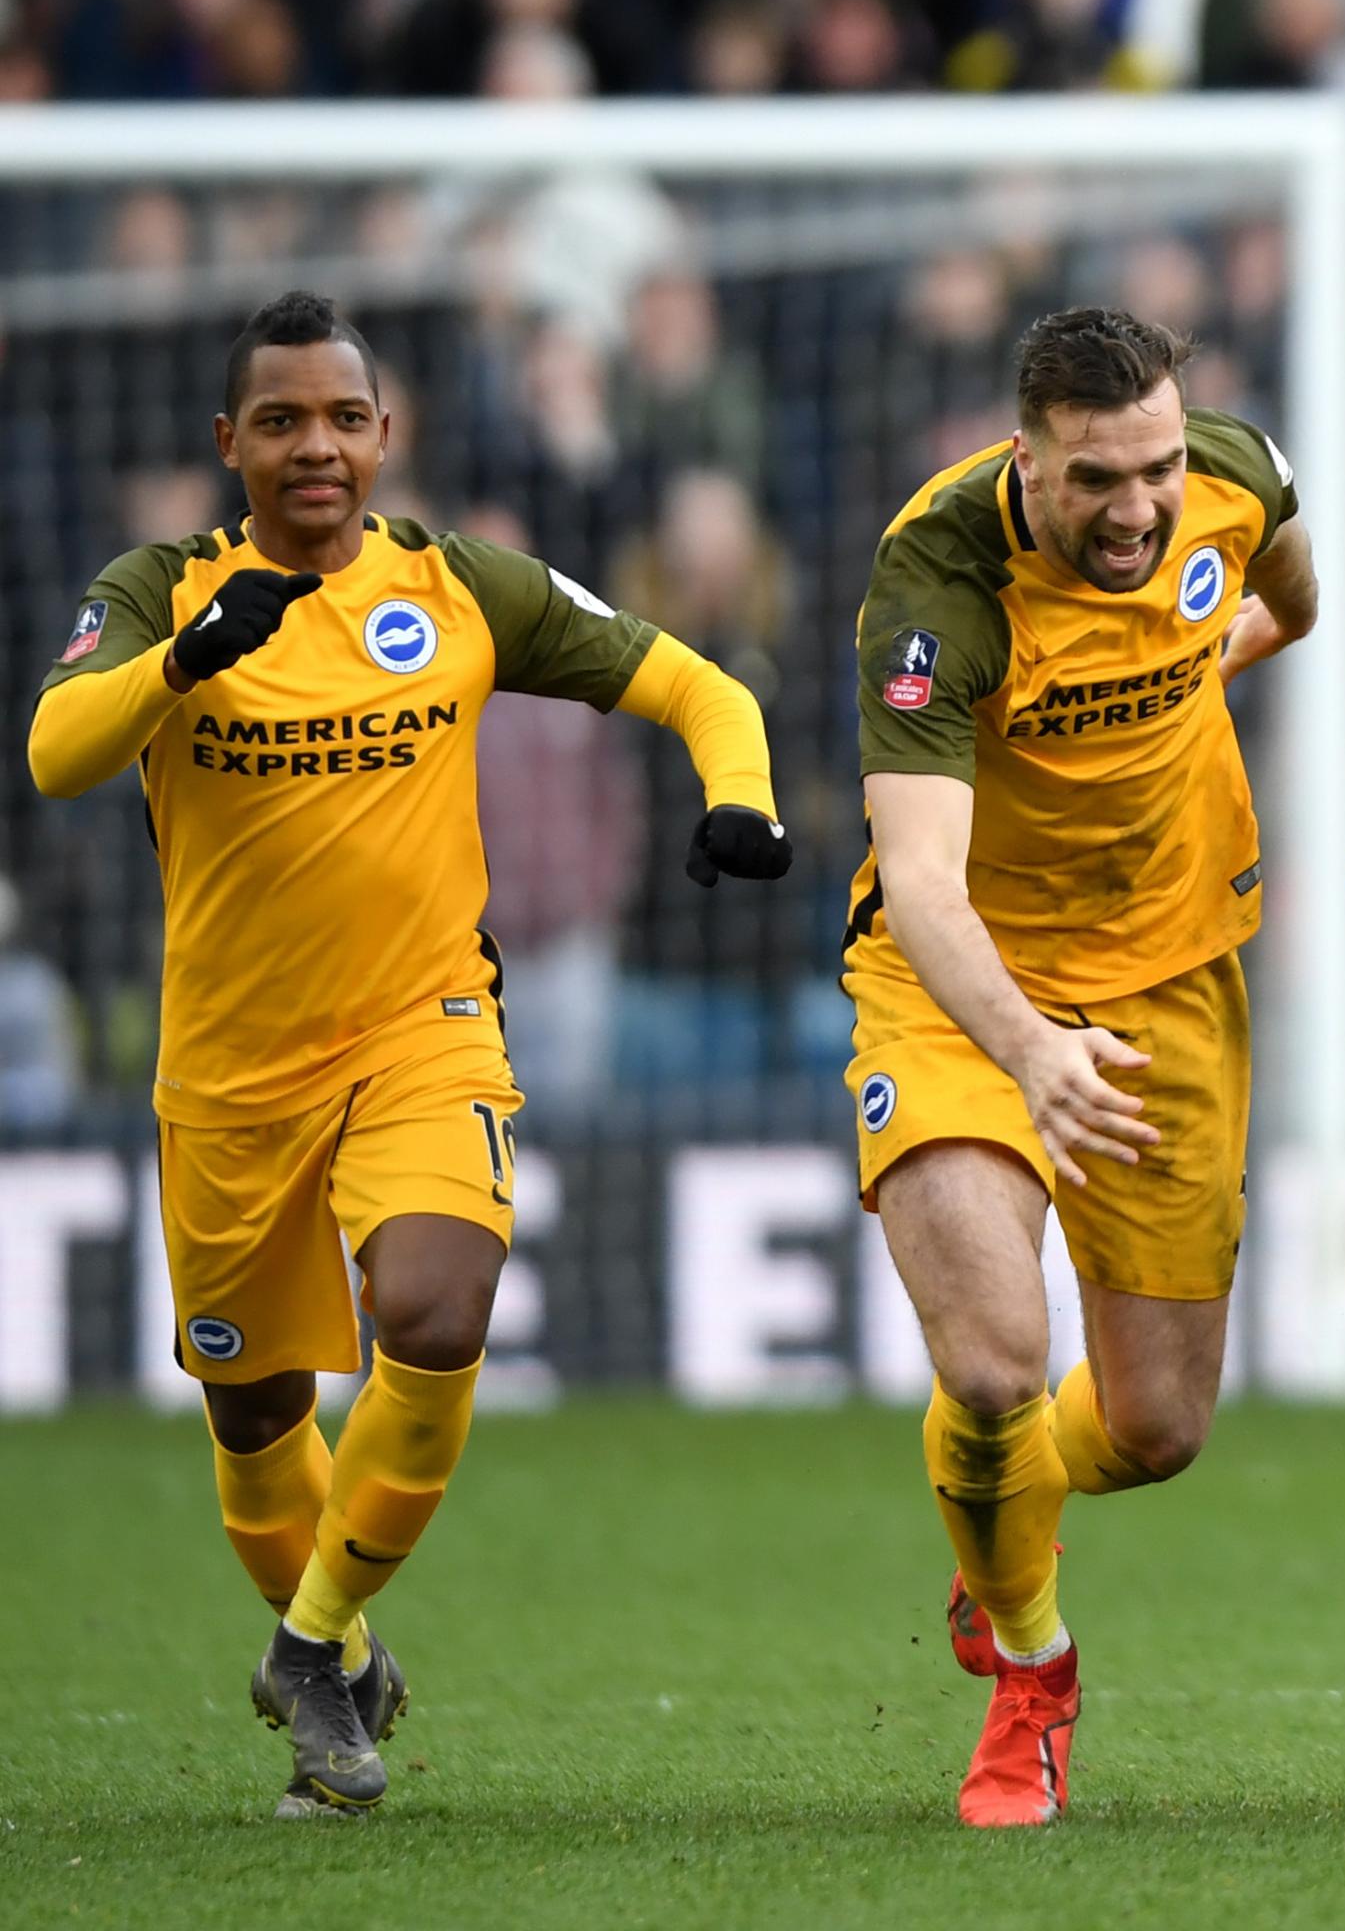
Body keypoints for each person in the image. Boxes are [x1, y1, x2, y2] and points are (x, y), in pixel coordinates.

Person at [24, 290, 788, 1818]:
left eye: (347, 419)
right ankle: (341, 1653)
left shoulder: (460, 587)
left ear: (388, 437)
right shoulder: (162, 587)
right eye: (285, 420)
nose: (320, 446)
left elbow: (699, 681)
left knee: (436, 1309)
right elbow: (55, 753)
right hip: (228, 1079)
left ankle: (305, 1647)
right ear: (227, 442)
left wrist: (741, 795)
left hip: (421, 1029)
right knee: (255, 1420)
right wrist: (182, 665)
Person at [842, 307, 1316, 1828]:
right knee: (989, 1363)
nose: (1138, 510)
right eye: (1097, 480)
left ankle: (998, 1539)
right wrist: (1033, 1050)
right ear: (1028, 455)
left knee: (1158, 1428)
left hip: (1172, 976)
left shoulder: (1233, 480)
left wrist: (1224, 649)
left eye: (1158, 471)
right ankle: (1032, 1673)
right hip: (966, 987)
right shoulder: (937, 584)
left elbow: (1287, 593)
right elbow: (921, 882)